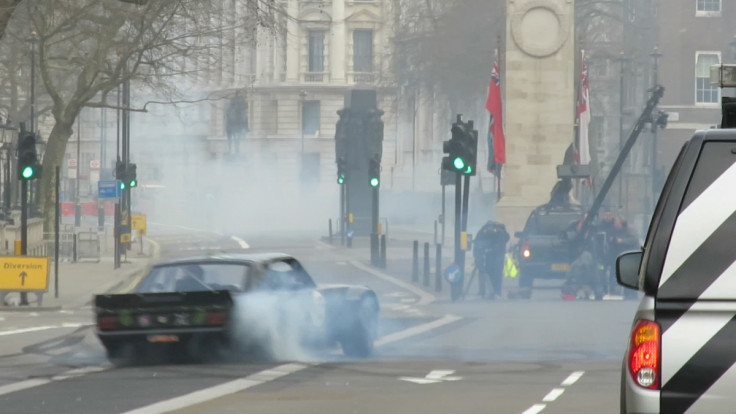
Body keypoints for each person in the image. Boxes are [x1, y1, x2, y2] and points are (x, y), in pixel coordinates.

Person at [473, 221, 510, 299]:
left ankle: (497, 292)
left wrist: (491, 249)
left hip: (498, 254)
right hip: (490, 254)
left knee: (497, 273)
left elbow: (501, 245)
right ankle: (492, 292)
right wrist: (478, 258)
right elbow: (477, 245)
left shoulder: (499, 233)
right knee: (490, 272)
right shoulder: (482, 233)